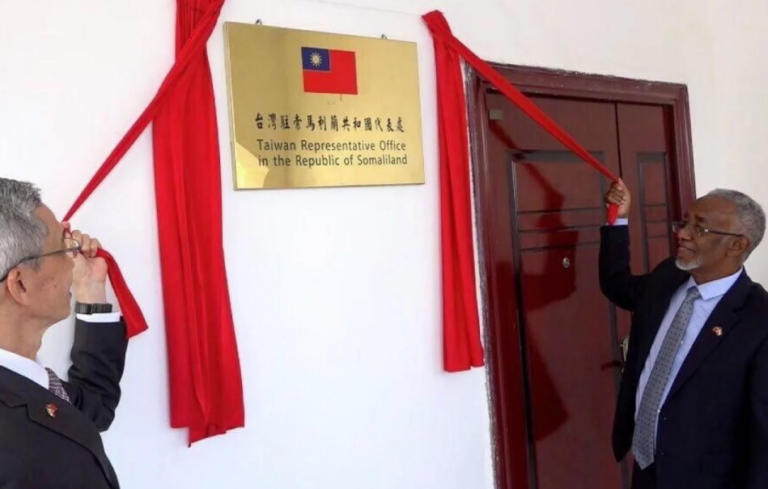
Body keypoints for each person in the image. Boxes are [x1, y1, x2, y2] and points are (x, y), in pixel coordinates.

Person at [600, 180, 768, 489]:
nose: (683, 233)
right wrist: (618, 219)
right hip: (647, 466)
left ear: (737, 245)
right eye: (685, 222)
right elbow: (618, 285)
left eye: (699, 228)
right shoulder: (668, 277)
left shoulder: (758, 320)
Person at [0, 177, 127, 488]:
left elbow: (94, 408)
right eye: (62, 248)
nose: (73, 260)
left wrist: (91, 288)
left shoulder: (28, 383)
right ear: (20, 284)